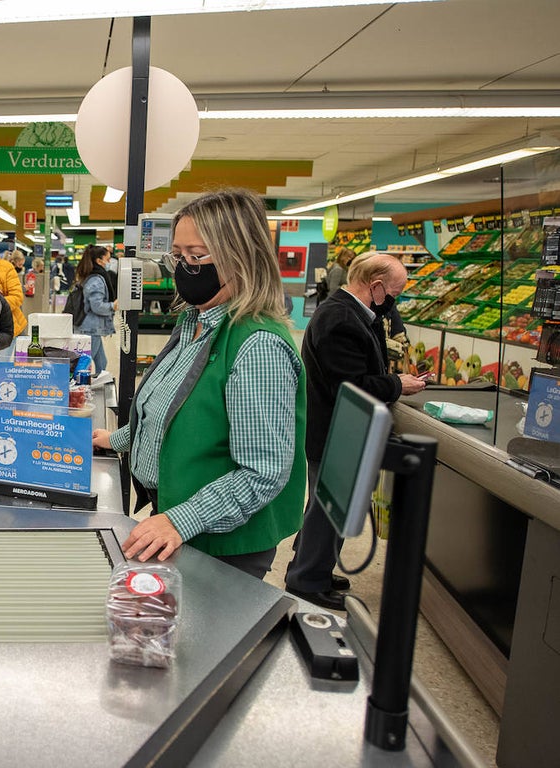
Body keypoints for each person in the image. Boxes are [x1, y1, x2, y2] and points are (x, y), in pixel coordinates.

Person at [92, 188, 305, 579]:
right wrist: (118, 440)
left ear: (241, 256)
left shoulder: (256, 345)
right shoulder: (196, 322)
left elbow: (263, 472)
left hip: (221, 545)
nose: (186, 268)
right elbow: (168, 414)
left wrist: (179, 520)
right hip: (178, 522)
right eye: (179, 255)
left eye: (198, 256)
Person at [284, 252, 426, 610]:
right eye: (395, 292)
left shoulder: (349, 313)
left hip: (332, 427)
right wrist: (397, 384)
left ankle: (311, 564)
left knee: (323, 504)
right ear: (376, 287)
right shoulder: (341, 320)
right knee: (329, 509)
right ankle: (307, 579)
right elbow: (349, 386)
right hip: (335, 429)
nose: (395, 301)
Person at [74, 245, 118, 375]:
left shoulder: (93, 276)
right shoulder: (96, 280)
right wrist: (112, 306)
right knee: (83, 364)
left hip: (93, 328)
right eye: (107, 259)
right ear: (99, 261)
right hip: (90, 329)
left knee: (101, 363)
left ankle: (100, 385)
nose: (109, 263)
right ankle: (74, 390)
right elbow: (97, 306)